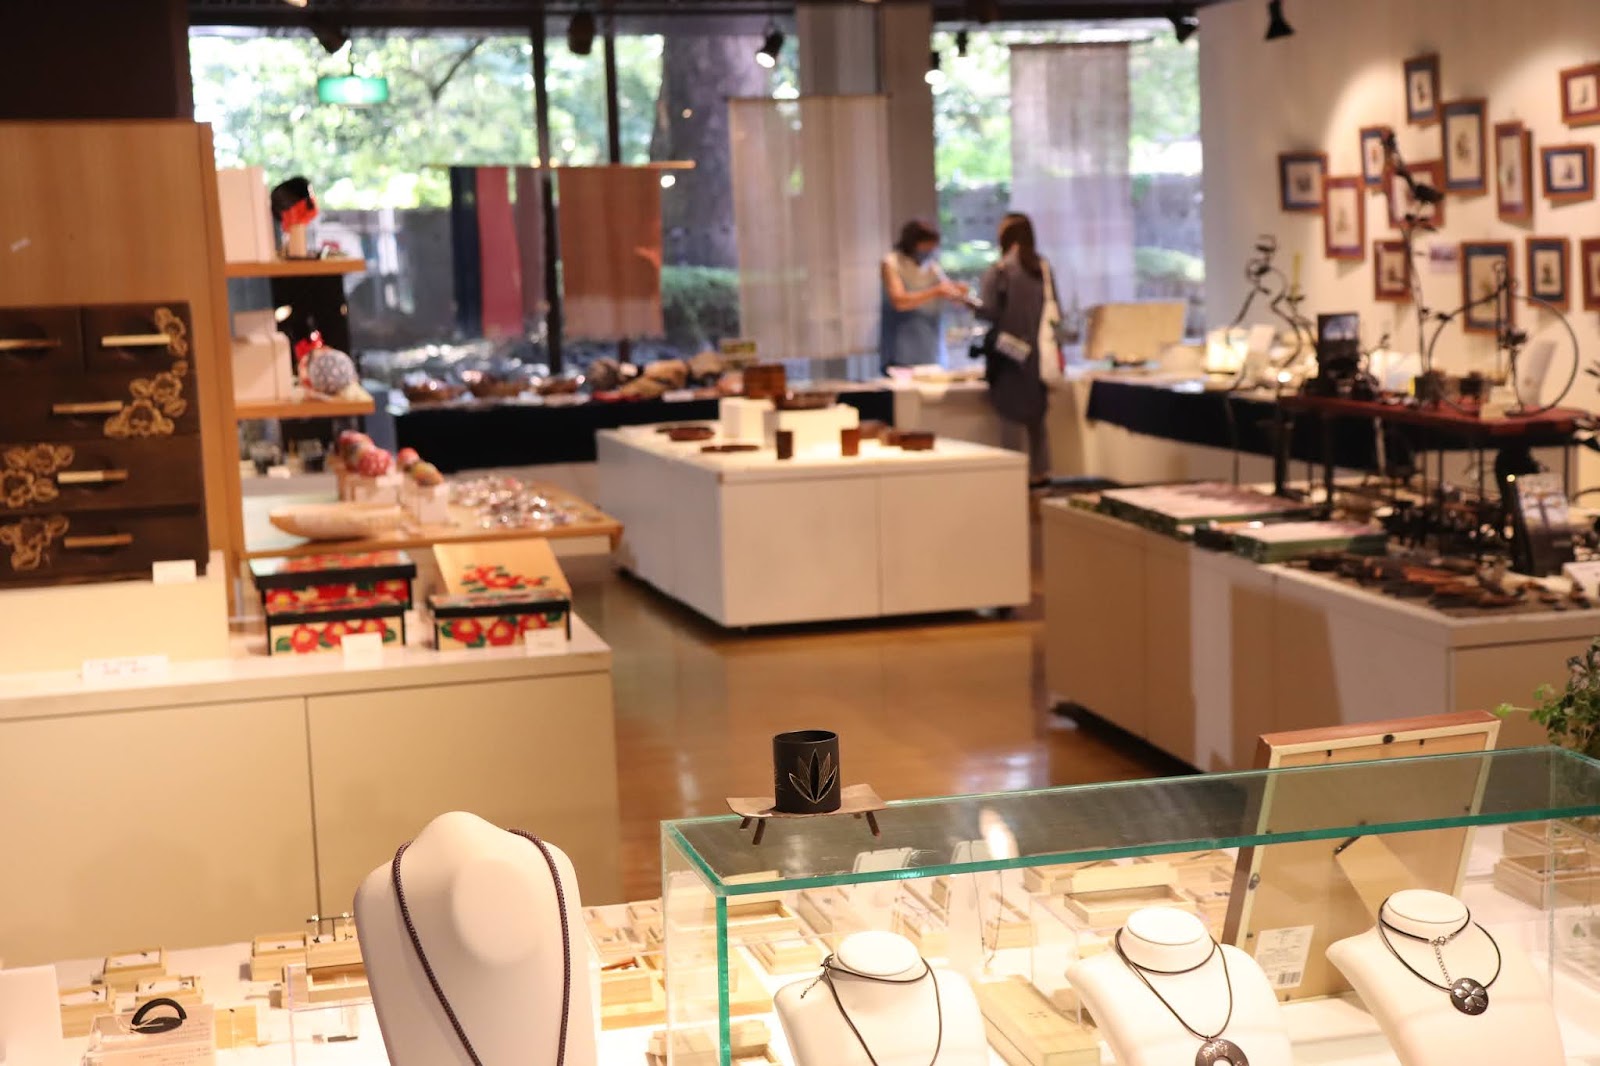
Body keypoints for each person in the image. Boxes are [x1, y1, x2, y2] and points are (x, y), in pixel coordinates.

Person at [976, 212, 1056, 487]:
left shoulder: (1000, 271)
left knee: (1010, 419)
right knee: (1037, 422)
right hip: (1039, 358)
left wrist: (966, 302)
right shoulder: (1042, 269)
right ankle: (1041, 477)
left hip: (1009, 357)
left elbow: (988, 312)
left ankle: (1012, 479)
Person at [879, 219, 968, 369]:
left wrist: (958, 291)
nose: (930, 251)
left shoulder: (931, 266)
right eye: (927, 246)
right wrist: (934, 291)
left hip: (931, 347)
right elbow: (899, 301)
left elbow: (948, 290)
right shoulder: (892, 263)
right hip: (901, 349)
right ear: (914, 243)